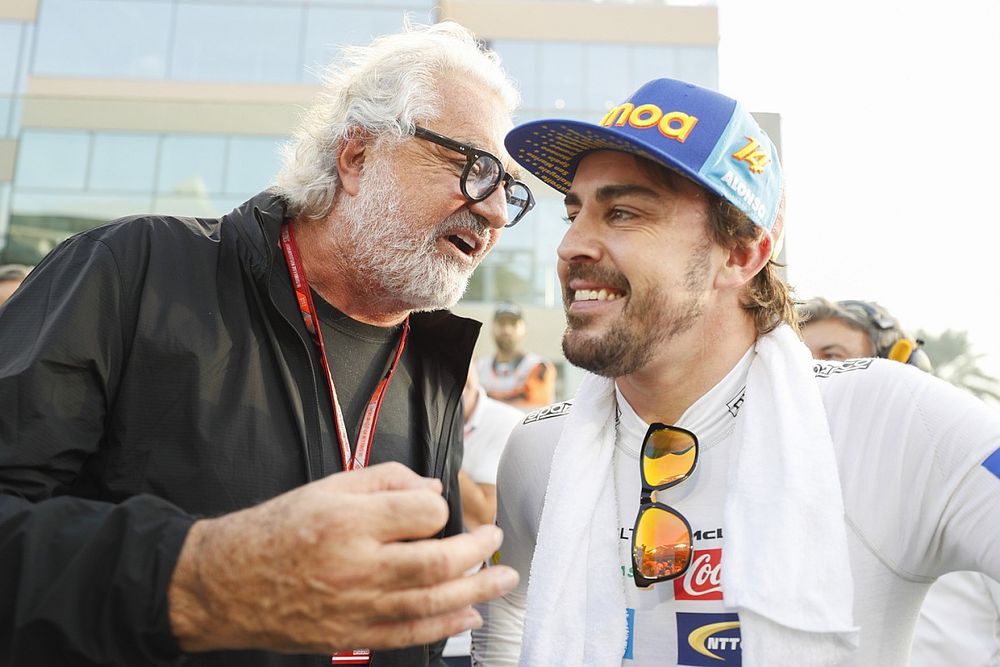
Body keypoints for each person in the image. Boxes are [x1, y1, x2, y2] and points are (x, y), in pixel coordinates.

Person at [0, 21, 529, 667]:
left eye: (512, 189)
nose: (497, 211)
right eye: (475, 169)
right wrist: (198, 580)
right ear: (357, 155)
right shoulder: (135, 268)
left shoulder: (432, 362)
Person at [471, 77, 1000, 666]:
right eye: (575, 212)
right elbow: (506, 616)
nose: (571, 245)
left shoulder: (889, 419)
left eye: (621, 212)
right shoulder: (540, 448)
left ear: (742, 253)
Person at [799, 297, 1000, 666]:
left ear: (901, 368)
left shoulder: (961, 488)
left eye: (831, 357)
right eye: (798, 360)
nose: (810, 373)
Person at [444, 363, 525, 666]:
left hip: (475, 629)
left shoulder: (509, 425)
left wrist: (442, 439)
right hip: (410, 624)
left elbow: (484, 519)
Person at [476, 303, 556, 410]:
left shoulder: (539, 366)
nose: (507, 330)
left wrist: (485, 399)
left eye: (513, 324)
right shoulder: (478, 367)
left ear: (524, 329)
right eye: (501, 323)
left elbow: (534, 405)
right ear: (492, 327)